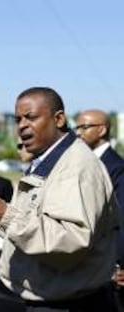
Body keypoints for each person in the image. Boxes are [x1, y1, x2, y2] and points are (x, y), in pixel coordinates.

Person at [0, 87, 117, 311]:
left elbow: (71, 241)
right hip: (42, 299)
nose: (22, 126)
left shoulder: (76, 167)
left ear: (58, 119)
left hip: (68, 304)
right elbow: (29, 223)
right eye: (18, 119)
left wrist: (6, 216)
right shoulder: (49, 160)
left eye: (31, 117)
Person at [75, 109, 124, 310]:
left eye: (84, 127)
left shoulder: (116, 167)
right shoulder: (85, 163)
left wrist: (119, 265)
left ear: (102, 130)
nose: (78, 133)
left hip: (110, 267)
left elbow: (121, 219)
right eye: (76, 127)